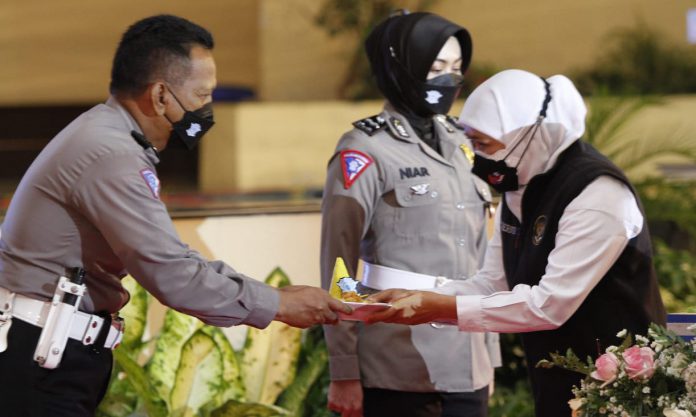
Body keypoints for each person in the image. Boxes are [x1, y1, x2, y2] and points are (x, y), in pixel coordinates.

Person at [0, 14, 350, 417]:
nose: (208, 108)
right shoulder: (110, 154)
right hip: (38, 358)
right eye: (201, 96)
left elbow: (173, 257)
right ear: (161, 95)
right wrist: (277, 305)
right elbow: (172, 274)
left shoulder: (109, 136)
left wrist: (272, 296)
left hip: (48, 350)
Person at [367, 69, 667, 417]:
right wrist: (416, 300)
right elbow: (492, 282)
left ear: (527, 135)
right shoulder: (521, 188)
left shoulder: (598, 193)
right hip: (562, 386)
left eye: (484, 143)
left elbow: (548, 305)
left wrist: (439, 308)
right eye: (472, 142)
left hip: (629, 393)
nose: (475, 155)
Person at [320, 11, 500, 417]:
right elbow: (337, 264)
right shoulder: (364, 150)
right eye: (435, 68)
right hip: (395, 362)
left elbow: (480, 254)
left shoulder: (463, 142)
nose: (448, 80)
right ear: (402, 67)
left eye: (456, 69)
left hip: (467, 358)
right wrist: (344, 370)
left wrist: (490, 355)